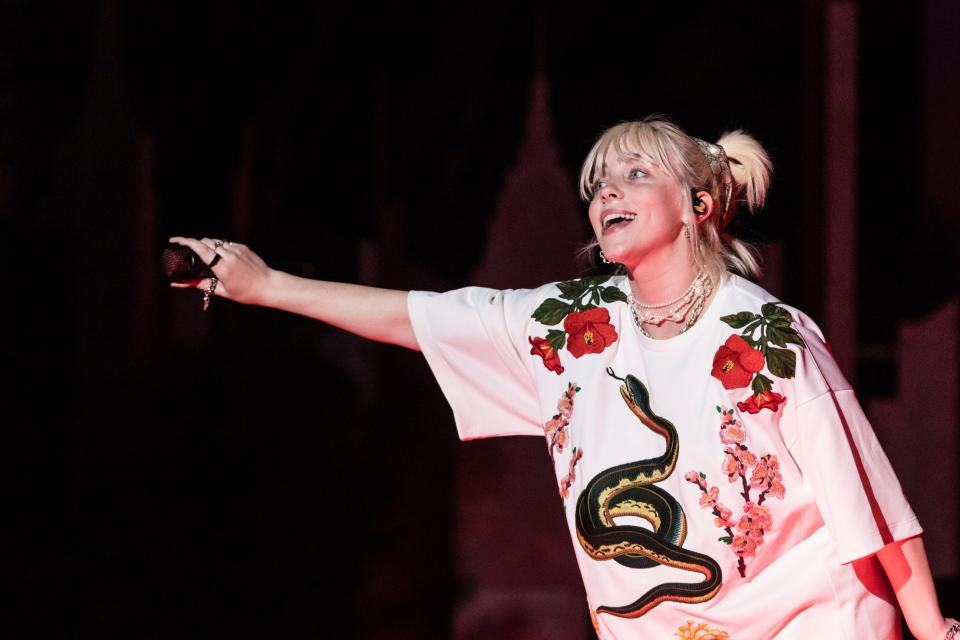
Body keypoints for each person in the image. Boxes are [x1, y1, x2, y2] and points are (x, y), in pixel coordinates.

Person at [170, 115, 956, 639]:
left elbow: (873, 503)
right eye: (597, 184)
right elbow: (425, 317)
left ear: (699, 204)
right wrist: (267, 286)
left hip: (810, 622)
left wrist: (932, 629)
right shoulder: (574, 331)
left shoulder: (763, 337)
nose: (605, 192)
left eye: (633, 175)